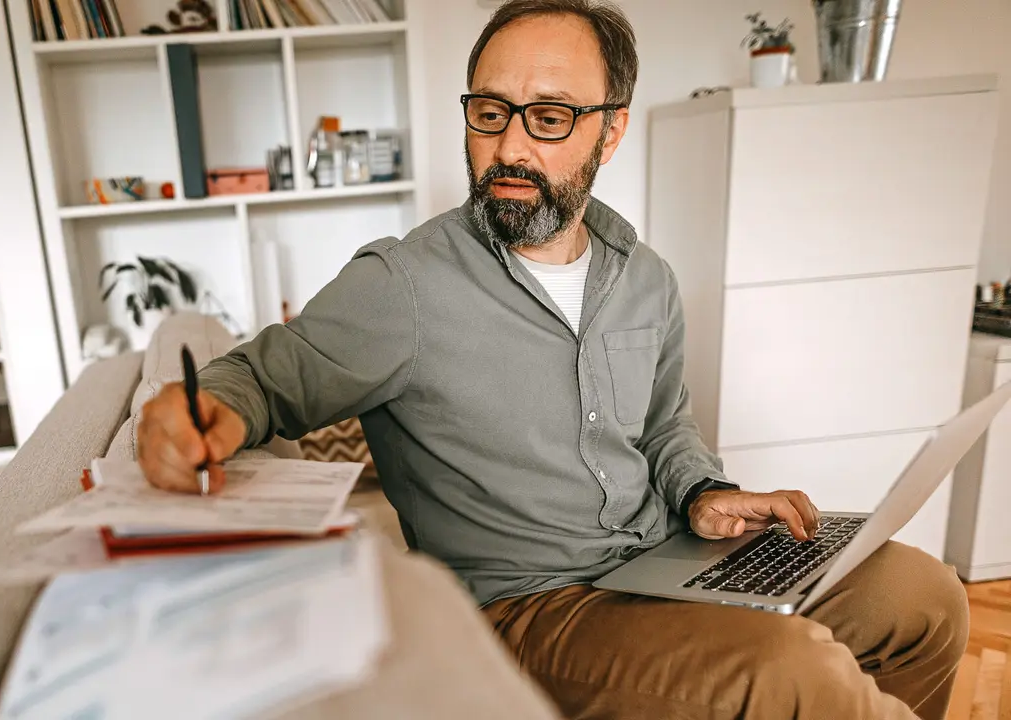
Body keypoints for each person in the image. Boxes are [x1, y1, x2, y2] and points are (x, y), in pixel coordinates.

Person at [135, 1, 968, 717]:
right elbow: (265, 379)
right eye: (489, 112)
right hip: (528, 611)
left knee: (925, 599)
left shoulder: (643, 277)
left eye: (551, 116)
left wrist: (706, 493)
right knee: (796, 675)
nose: (510, 147)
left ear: (610, 131)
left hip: (666, 555)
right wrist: (201, 411)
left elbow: (668, 424)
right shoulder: (402, 284)